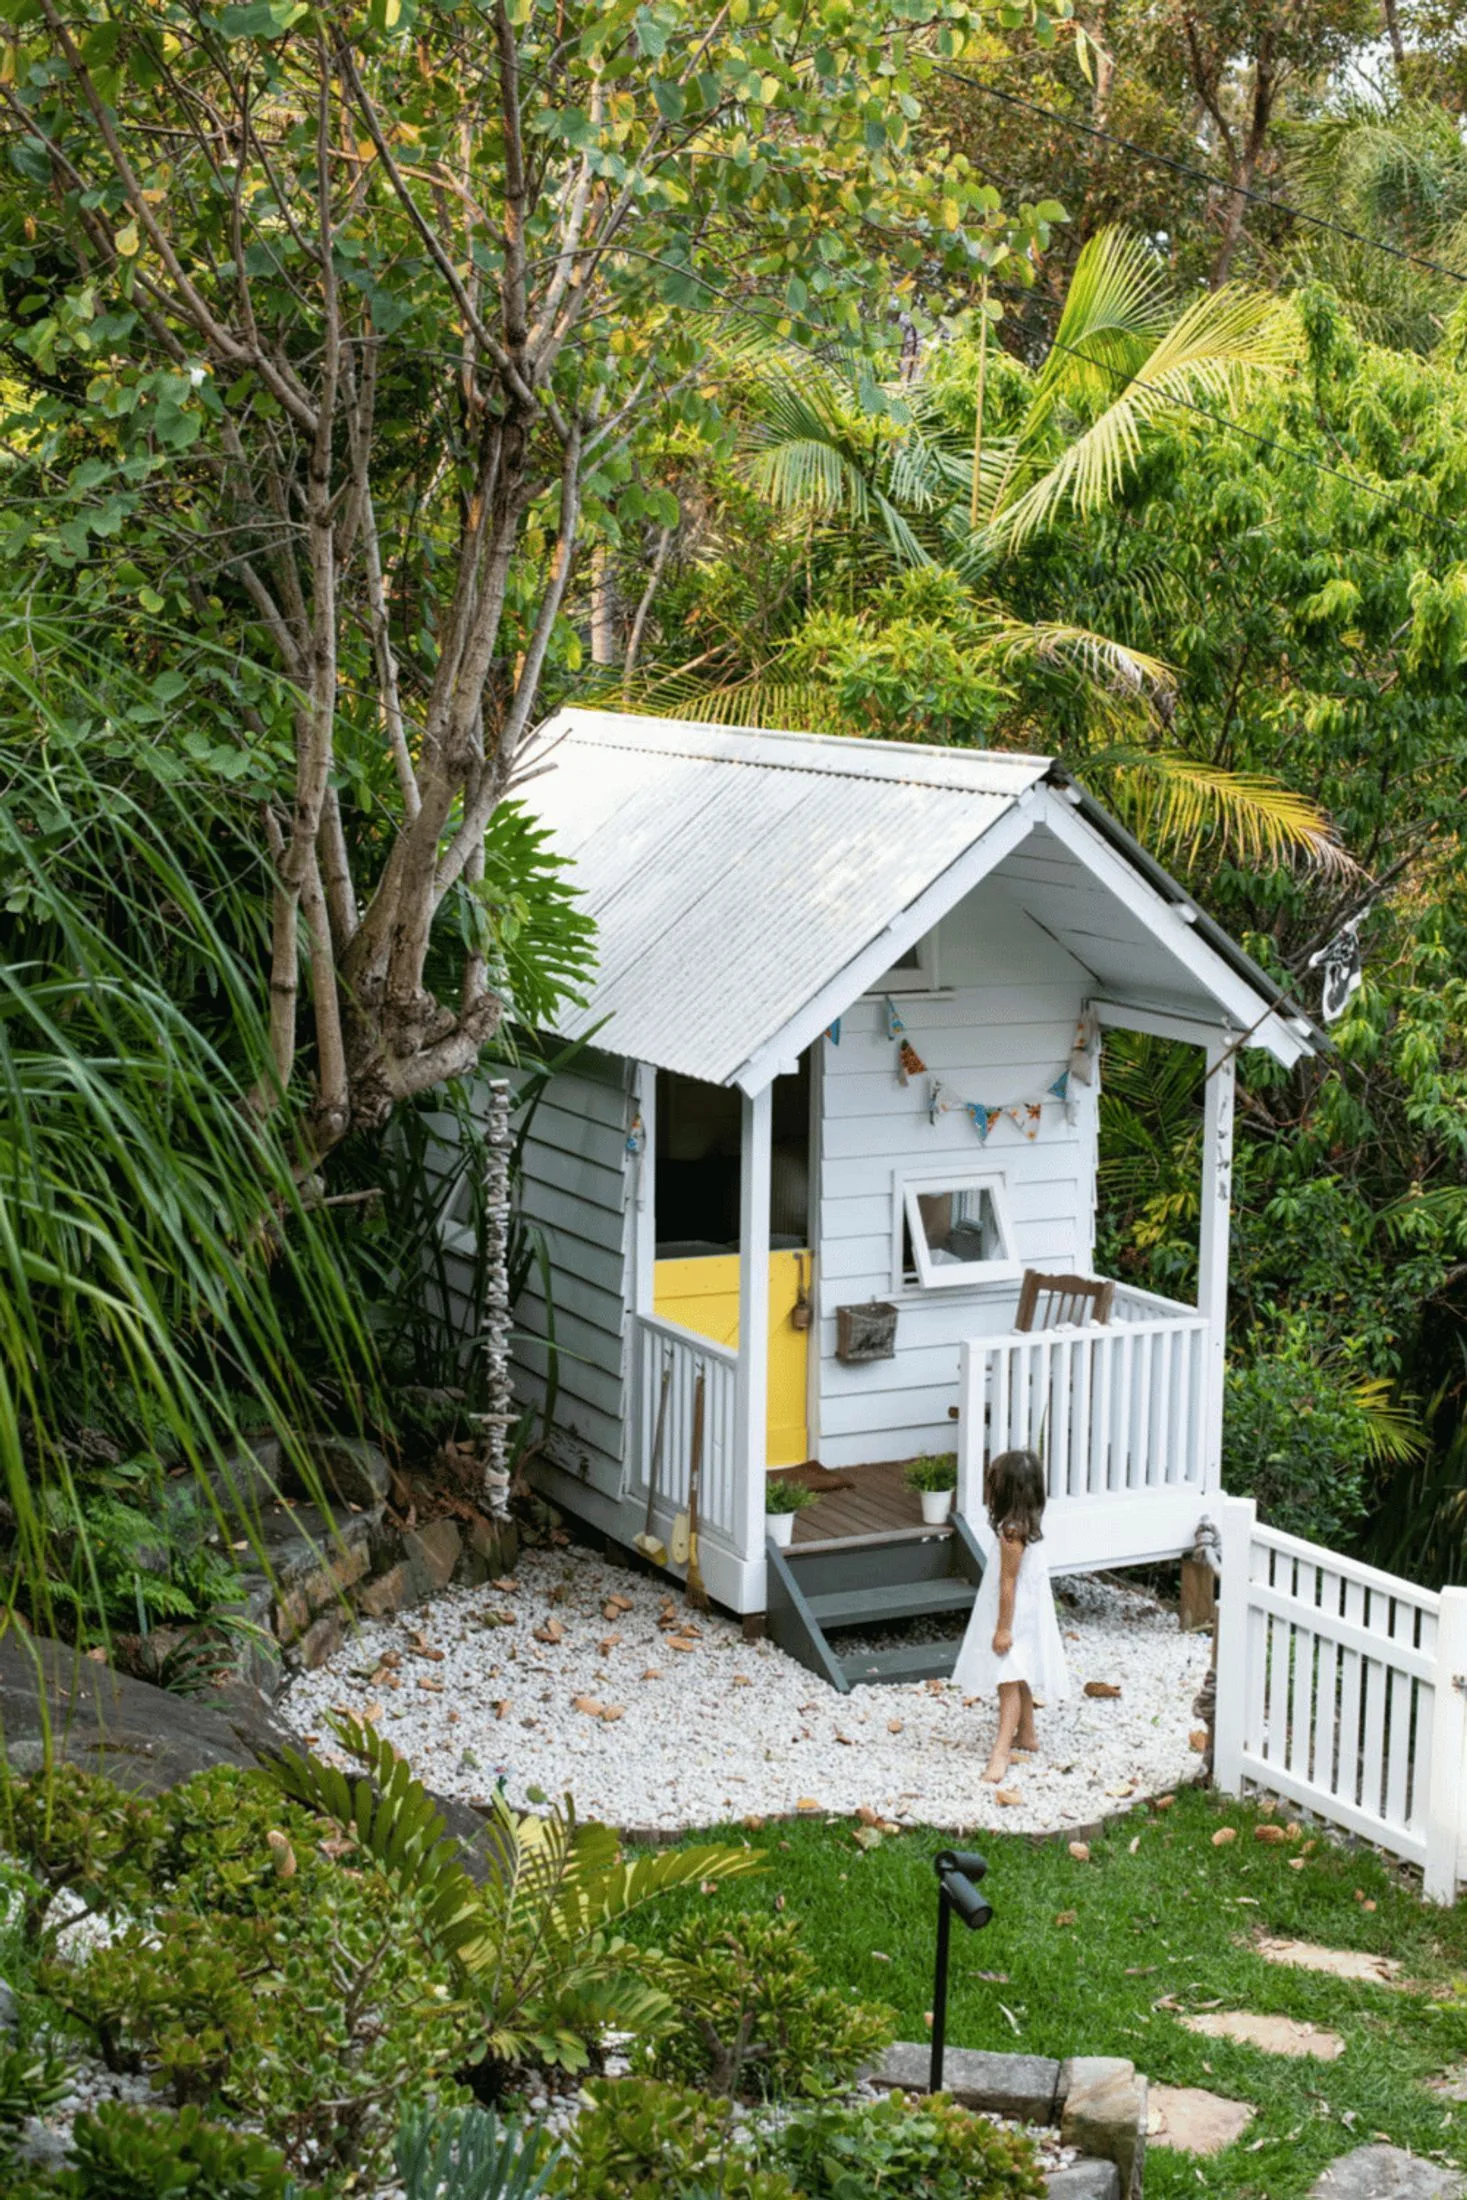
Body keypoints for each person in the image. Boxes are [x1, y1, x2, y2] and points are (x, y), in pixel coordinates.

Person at [951, 1447, 1070, 1783]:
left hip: (1013, 1614)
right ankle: (1027, 1733)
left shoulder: (1011, 1534)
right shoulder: (1028, 1524)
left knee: (1007, 1678)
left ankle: (1000, 1752)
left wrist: (1003, 1628)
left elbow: (1007, 1583)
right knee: (1022, 1670)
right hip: (1030, 1612)